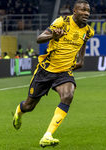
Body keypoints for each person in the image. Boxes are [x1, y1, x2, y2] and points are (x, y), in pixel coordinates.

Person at [12, 0, 94, 148]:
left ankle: (47, 135)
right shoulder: (61, 22)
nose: (86, 13)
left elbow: (83, 41)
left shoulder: (88, 30)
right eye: (82, 10)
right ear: (74, 11)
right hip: (46, 70)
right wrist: (53, 36)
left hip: (64, 72)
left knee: (68, 95)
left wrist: (81, 60)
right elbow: (39, 39)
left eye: (88, 10)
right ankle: (19, 112)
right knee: (29, 106)